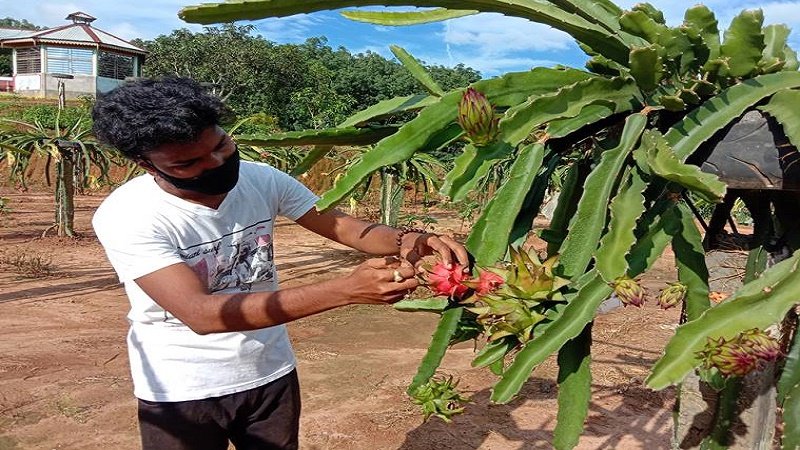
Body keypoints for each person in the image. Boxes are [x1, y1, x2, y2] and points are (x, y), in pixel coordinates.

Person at [90, 77, 469, 450]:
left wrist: (411, 240)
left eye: (222, 144)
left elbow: (344, 227)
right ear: (146, 163)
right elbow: (201, 313)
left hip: (270, 370)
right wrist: (346, 290)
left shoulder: (262, 179)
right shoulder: (129, 216)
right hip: (183, 386)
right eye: (189, 163)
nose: (217, 162)